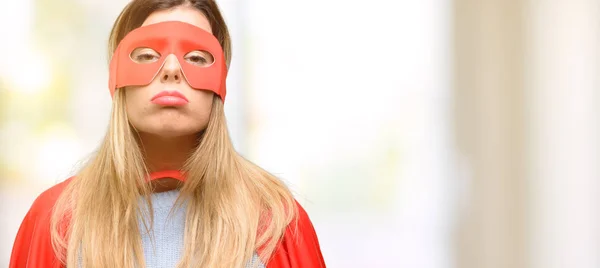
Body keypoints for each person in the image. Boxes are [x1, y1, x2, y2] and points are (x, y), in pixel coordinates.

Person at [9, 0, 326, 267]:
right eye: (146, 55)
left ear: (220, 85)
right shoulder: (56, 220)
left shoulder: (275, 222)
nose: (172, 68)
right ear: (117, 79)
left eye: (197, 57)